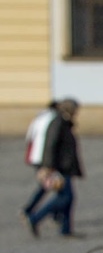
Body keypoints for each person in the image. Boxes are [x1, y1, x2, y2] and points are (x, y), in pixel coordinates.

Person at [24, 98, 82, 237]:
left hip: (65, 166)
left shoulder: (63, 122)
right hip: (59, 167)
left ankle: (66, 229)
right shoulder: (58, 122)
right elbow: (50, 145)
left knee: (68, 197)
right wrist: (48, 166)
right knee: (65, 197)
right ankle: (35, 217)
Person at [21, 100, 56, 223]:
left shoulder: (39, 118)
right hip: (45, 158)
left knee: (50, 186)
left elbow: (29, 136)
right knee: (50, 186)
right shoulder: (54, 120)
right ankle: (31, 212)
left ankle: (54, 215)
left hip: (36, 156)